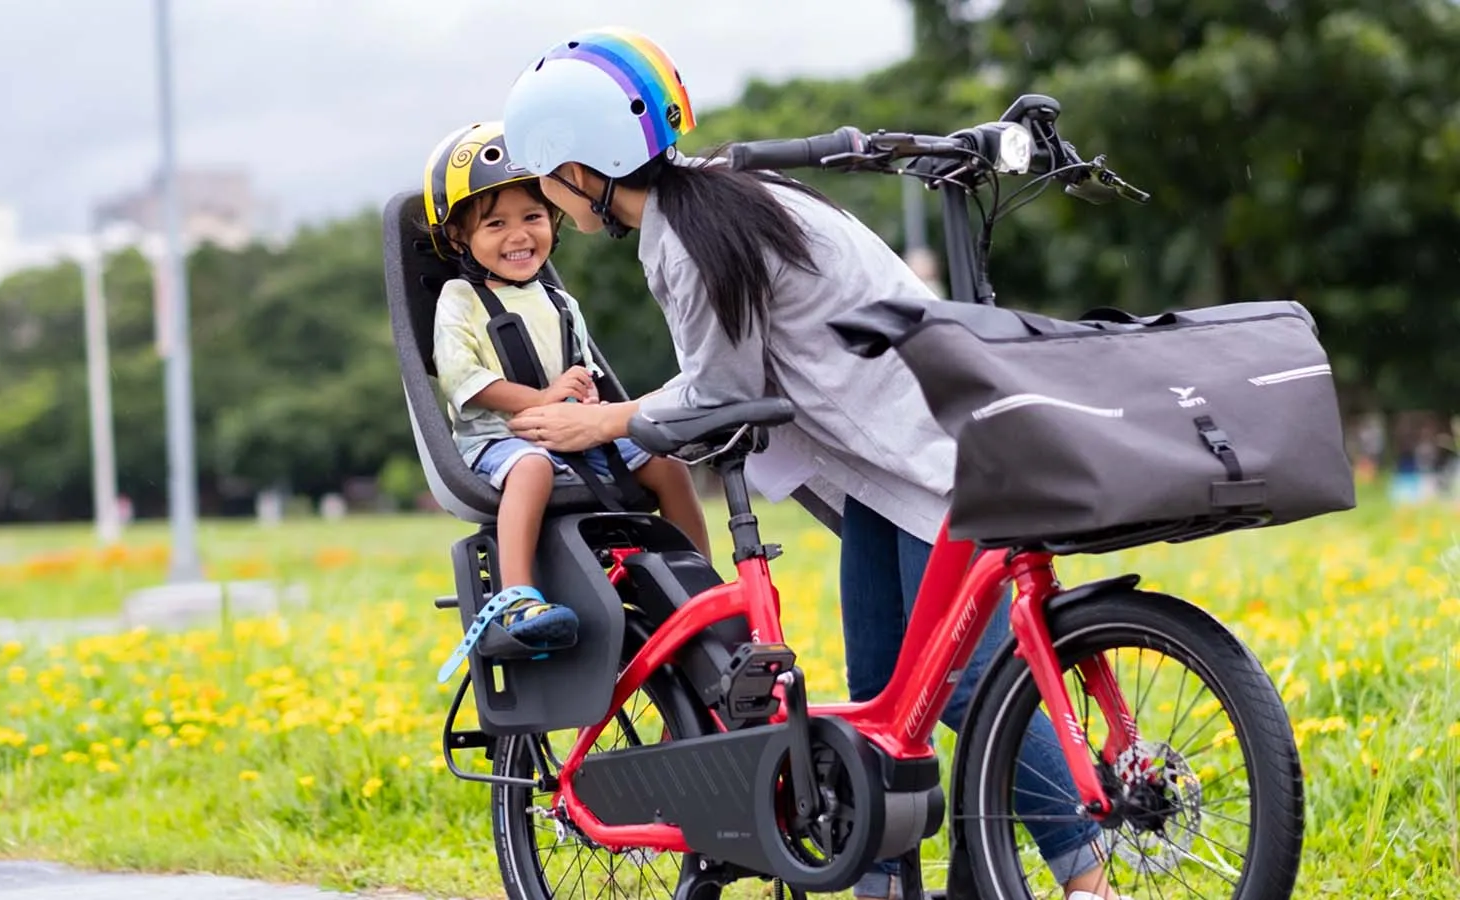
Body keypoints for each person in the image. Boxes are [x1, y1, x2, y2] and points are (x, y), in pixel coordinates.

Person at [497, 27, 1127, 900]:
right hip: (888, 461)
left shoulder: (684, 236)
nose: (550, 205)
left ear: (580, 169)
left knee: (965, 682)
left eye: (544, 184)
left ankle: (1085, 878)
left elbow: (718, 393)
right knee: (879, 697)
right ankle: (880, 886)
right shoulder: (726, 194)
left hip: (925, 456)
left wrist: (607, 421)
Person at [423, 121, 711, 682]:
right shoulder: (460, 299)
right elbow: (464, 380)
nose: (518, 235)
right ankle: (517, 598)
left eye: (532, 217)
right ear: (459, 238)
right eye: (495, 224)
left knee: (666, 465)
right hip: (498, 439)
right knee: (530, 470)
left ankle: (697, 580)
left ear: (553, 217)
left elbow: (584, 371)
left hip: (570, 429)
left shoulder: (560, 301)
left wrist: (584, 397)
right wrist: (543, 399)